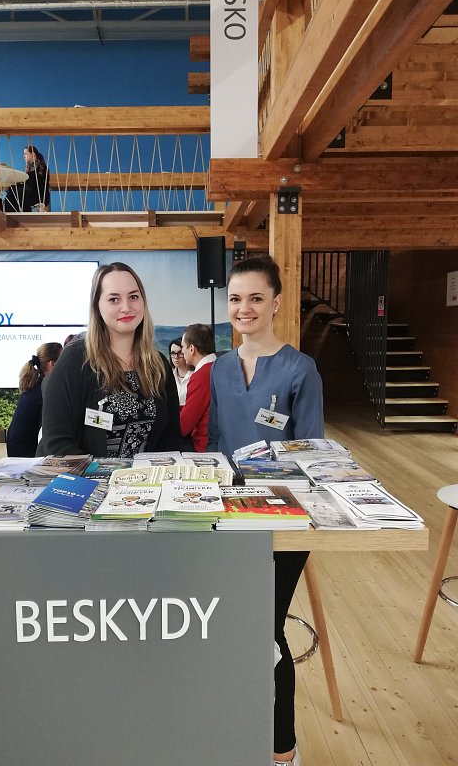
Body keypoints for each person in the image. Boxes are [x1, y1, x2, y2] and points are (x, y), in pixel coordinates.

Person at [207, 255, 324, 766]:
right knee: (227, 626)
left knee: (264, 630)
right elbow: (214, 442)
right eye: (236, 299)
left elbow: (313, 454)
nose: (245, 308)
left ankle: (282, 751)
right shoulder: (220, 369)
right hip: (226, 515)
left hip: (282, 518)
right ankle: (232, 733)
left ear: (276, 302)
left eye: (256, 298)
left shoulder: (300, 369)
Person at [40, 262, 180, 457]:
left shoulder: (158, 365)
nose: (126, 307)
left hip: (143, 475)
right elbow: (57, 442)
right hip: (81, 475)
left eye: (133, 296)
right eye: (114, 299)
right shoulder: (76, 360)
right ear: (97, 306)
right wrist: (99, 476)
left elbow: (170, 439)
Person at [6, 342, 63, 457]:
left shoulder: (35, 386)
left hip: (17, 449)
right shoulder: (45, 391)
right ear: (52, 364)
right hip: (26, 454)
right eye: (62, 360)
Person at [179, 324, 216, 452]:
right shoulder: (219, 367)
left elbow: (184, 425)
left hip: (203, 448)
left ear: (191, 349)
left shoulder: (201, 375)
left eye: (183, 347)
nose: (182, 351)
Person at [4, 145, 50, 212]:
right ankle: (9, 209)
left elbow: (37, 184)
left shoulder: (42, 167)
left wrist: (23, 183)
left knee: (16, 190)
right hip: (30, 193)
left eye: (26, 153)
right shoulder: (28, 168)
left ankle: (14, 210)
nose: (24, 156)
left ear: (33, 154)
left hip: (39, 195)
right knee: (12, 189)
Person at [168, 337, 193, 407]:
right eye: (173, 353)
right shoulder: (168, 376)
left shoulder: (195, 375)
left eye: (180, 353)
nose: (176, 357)